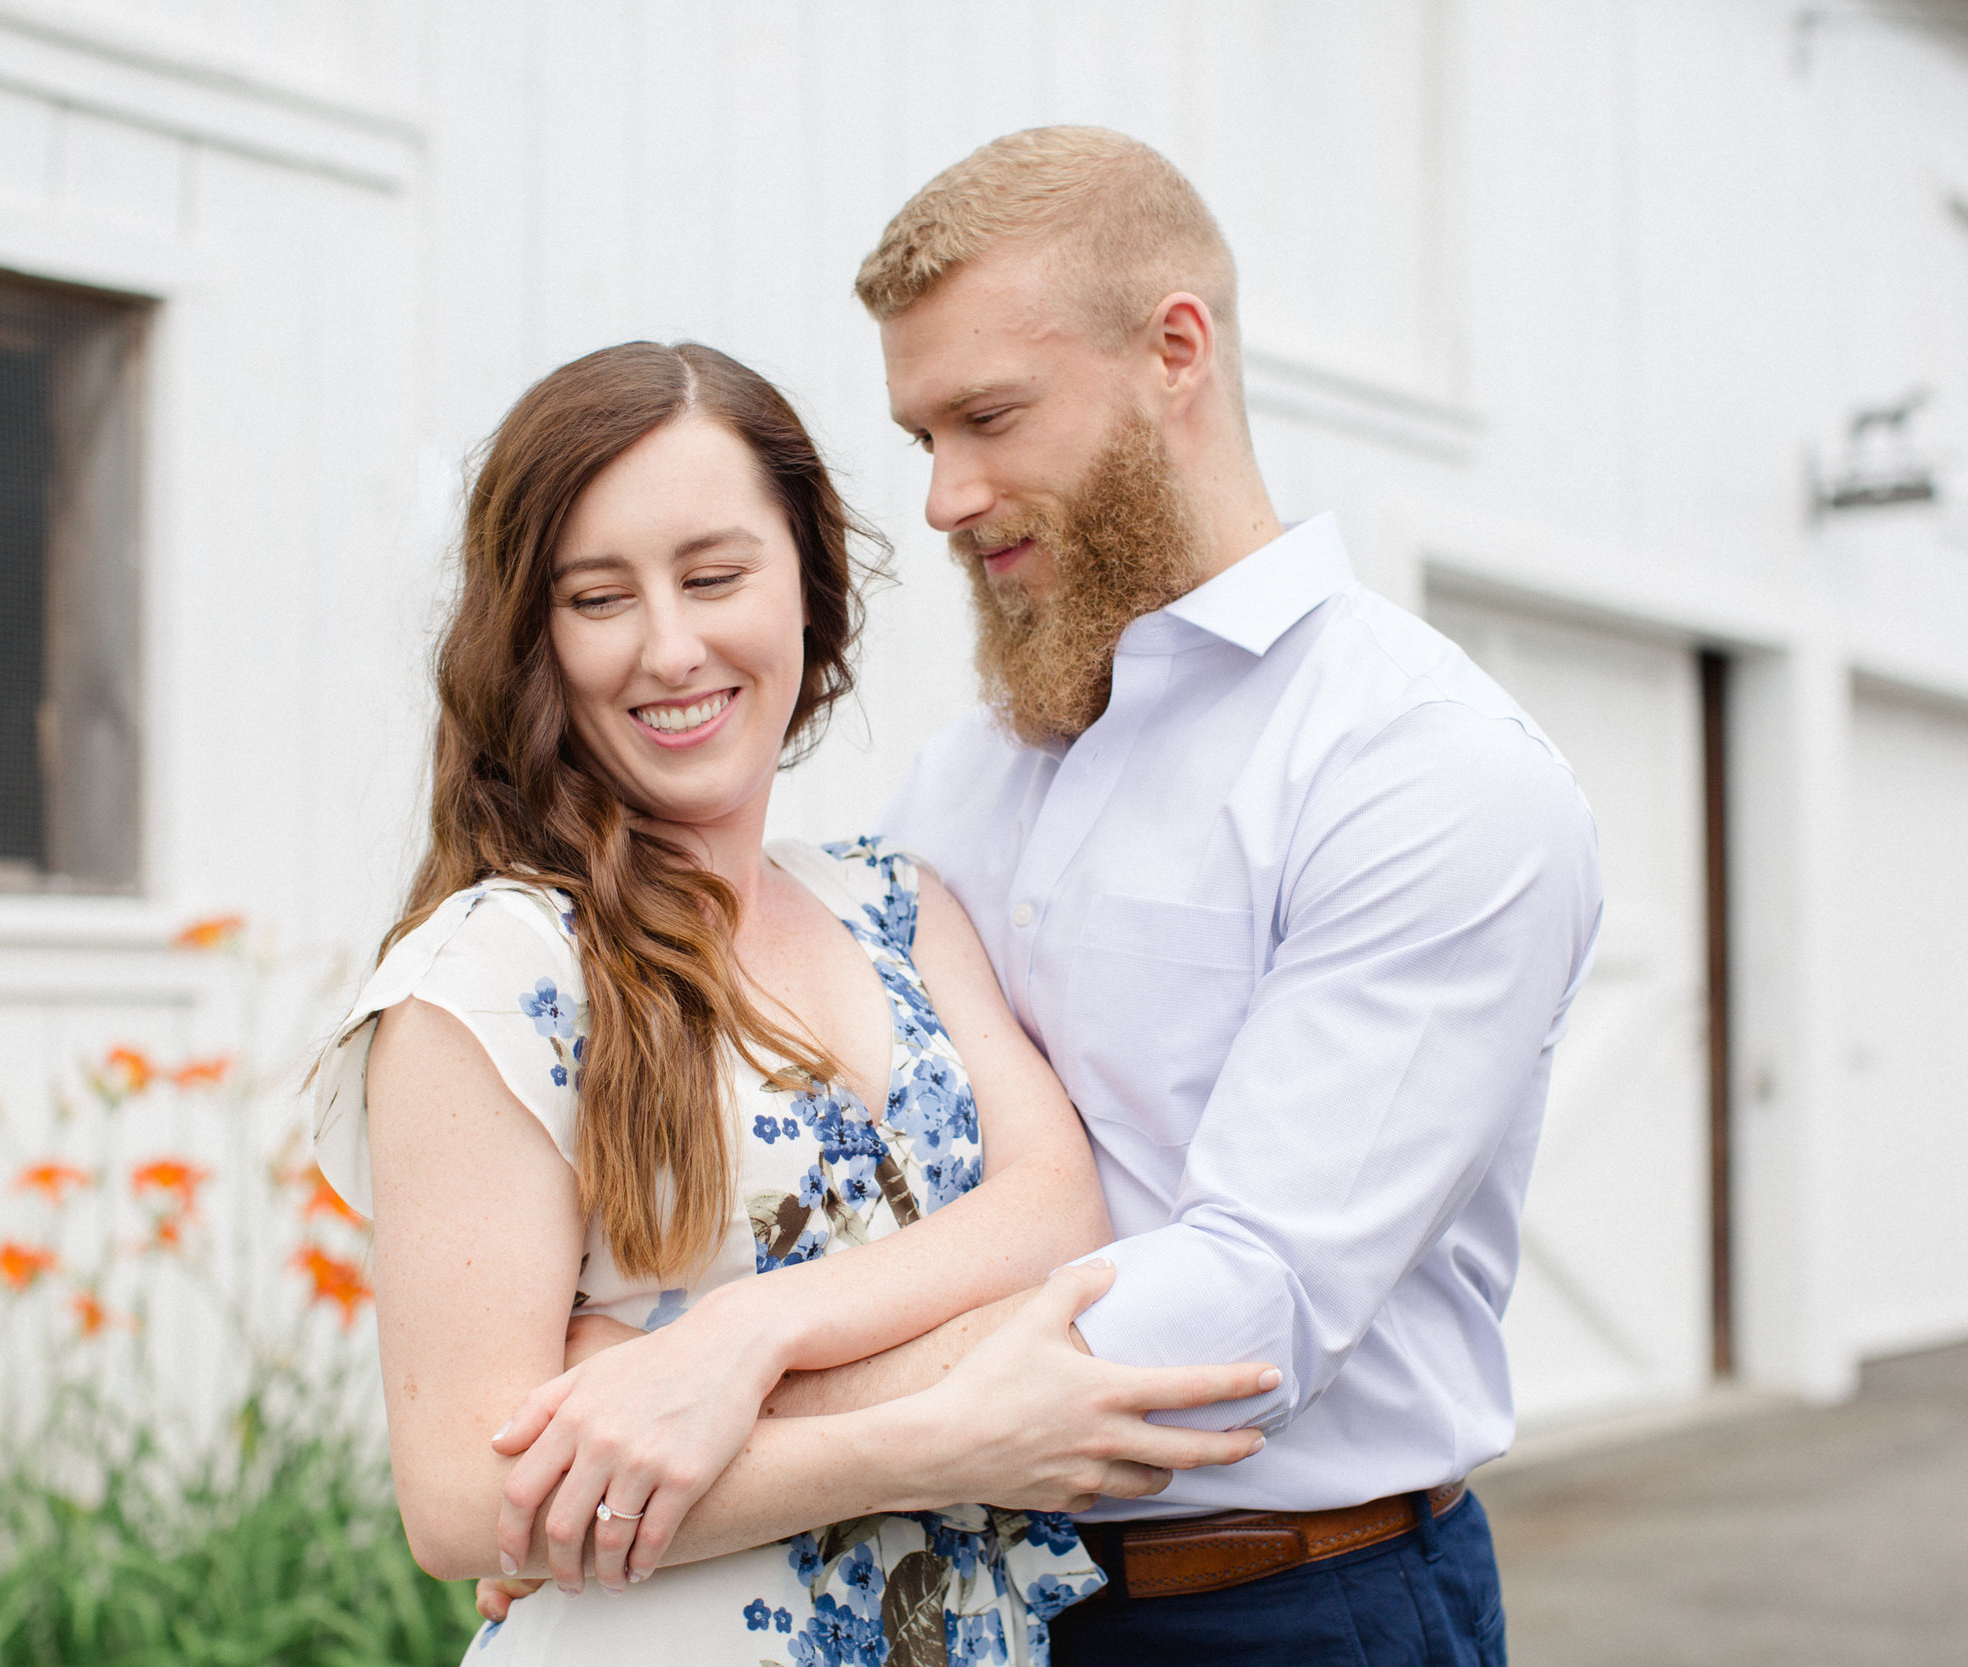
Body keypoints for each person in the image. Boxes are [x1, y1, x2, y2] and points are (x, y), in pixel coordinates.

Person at [483, 128, 1604, 1666]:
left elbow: (1249, 1306)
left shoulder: (1424, 773)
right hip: (942, 1597)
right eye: (921, 433)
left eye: (989, 417)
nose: (944, 495)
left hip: (1283, 1607)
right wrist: (668, 1448)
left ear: (1175, 353)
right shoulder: (964, 784)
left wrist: (694, 1412)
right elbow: (870, 1187)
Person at [310, 339, 1273, 1666]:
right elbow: (474, 1501)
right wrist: (939, 1436)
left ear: (808, 589)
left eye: (715, 576)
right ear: (533, 640)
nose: (669, 646)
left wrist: (719, 1350)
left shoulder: (898, 903)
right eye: (598, 598)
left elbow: (1060, 1215)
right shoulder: (491, 974)